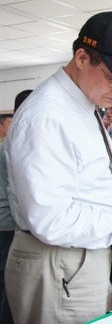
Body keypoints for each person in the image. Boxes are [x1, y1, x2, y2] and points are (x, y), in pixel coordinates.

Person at [3, 11, 112, 323]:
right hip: (59, 262)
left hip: (76, 259)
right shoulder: (48, 116)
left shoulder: (82, 103)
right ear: (82, 57)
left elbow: (78, 164)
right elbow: (51, 218)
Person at [0, 89, 33, 324]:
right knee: (7, 282)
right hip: (8, 224)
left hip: (5, 222)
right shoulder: (13, 145)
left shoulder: (6, 144)